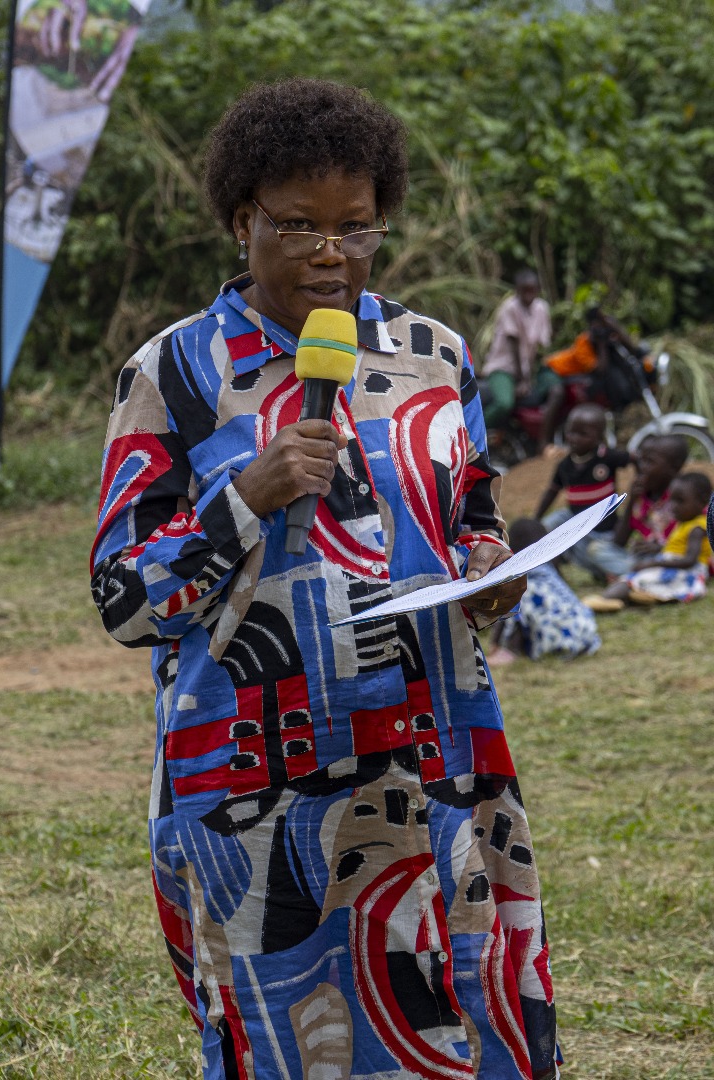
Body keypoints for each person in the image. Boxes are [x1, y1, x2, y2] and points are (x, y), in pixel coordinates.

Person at [91, 79, 560, 1080]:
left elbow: (472, 513)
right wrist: (245, 495)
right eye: (296, 224)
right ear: (239, 219)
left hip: (439, 756)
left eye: (357, 226)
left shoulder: (436, 355)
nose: (330, 253)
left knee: (467, 1011)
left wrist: (489, 569)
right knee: (295, 1039)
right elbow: (124, 600)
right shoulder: (172, 373)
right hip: (261, 784)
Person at [583, 471, 712, 610]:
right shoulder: (684, 523)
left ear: (703, 501)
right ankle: (631, 599)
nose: (673, 506)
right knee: (640, 579)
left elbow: (690, 560)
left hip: (684, 571)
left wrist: (652, 563)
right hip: (673, 567)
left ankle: (606, 599)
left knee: (632, 580)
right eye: (671, 500)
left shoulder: (698, 527)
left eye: (680, 500)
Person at [535, 403, 631, 579]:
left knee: (599, 554)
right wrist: (536, 519)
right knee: (549, 525)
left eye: (583, 434)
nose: (574, 438)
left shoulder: (608, 457)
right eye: (571, 432)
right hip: (577, 523)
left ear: (599, 437)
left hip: (605, 531)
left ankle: (613, 572)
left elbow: (634, 459)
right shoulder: (564, 465)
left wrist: (643, 486)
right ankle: (554, 570)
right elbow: (552, 492)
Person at [486, 518, 600, 666]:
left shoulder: (522, 580)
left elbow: (507, 616)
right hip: (586, 635)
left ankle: (509, 650)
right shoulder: (549, 574)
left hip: (559, 643)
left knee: (514, 602)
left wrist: (495, 643)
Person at [586, 433, 688, 579]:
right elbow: (618, 542)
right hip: (644, 560)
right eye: (642, 461)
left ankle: (629, 575)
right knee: (596, 549)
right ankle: (634, 574)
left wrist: (661, 548)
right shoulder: (642, 498)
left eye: (650, 462)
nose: (642, 468)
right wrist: (631, 501)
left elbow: (692, 542)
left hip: (673, 559)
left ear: (674, 468)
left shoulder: (683, 497)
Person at [482, 269, 556, 444]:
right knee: (504, 403)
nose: (528, 294)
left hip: (525, 369)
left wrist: (531, 376)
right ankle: (471, 434)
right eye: (524, 290)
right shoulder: (510, 308)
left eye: (532, 290)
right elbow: (514, 344)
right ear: (517, 290)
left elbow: (538, 346)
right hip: (503, 368)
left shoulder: (541, 308)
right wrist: (523, 380)